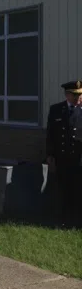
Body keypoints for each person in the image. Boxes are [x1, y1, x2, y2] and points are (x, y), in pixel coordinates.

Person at [46, 80, 82, 226]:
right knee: (62, 189)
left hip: (79, 159)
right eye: (75, 95)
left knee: (78, 190)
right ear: (67, 95)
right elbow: (51, 135)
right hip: (62, 158)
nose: (79, 98)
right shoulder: (56, 110)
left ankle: (77, 219)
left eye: (80, 95)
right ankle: (63, 218)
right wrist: (50, 155)